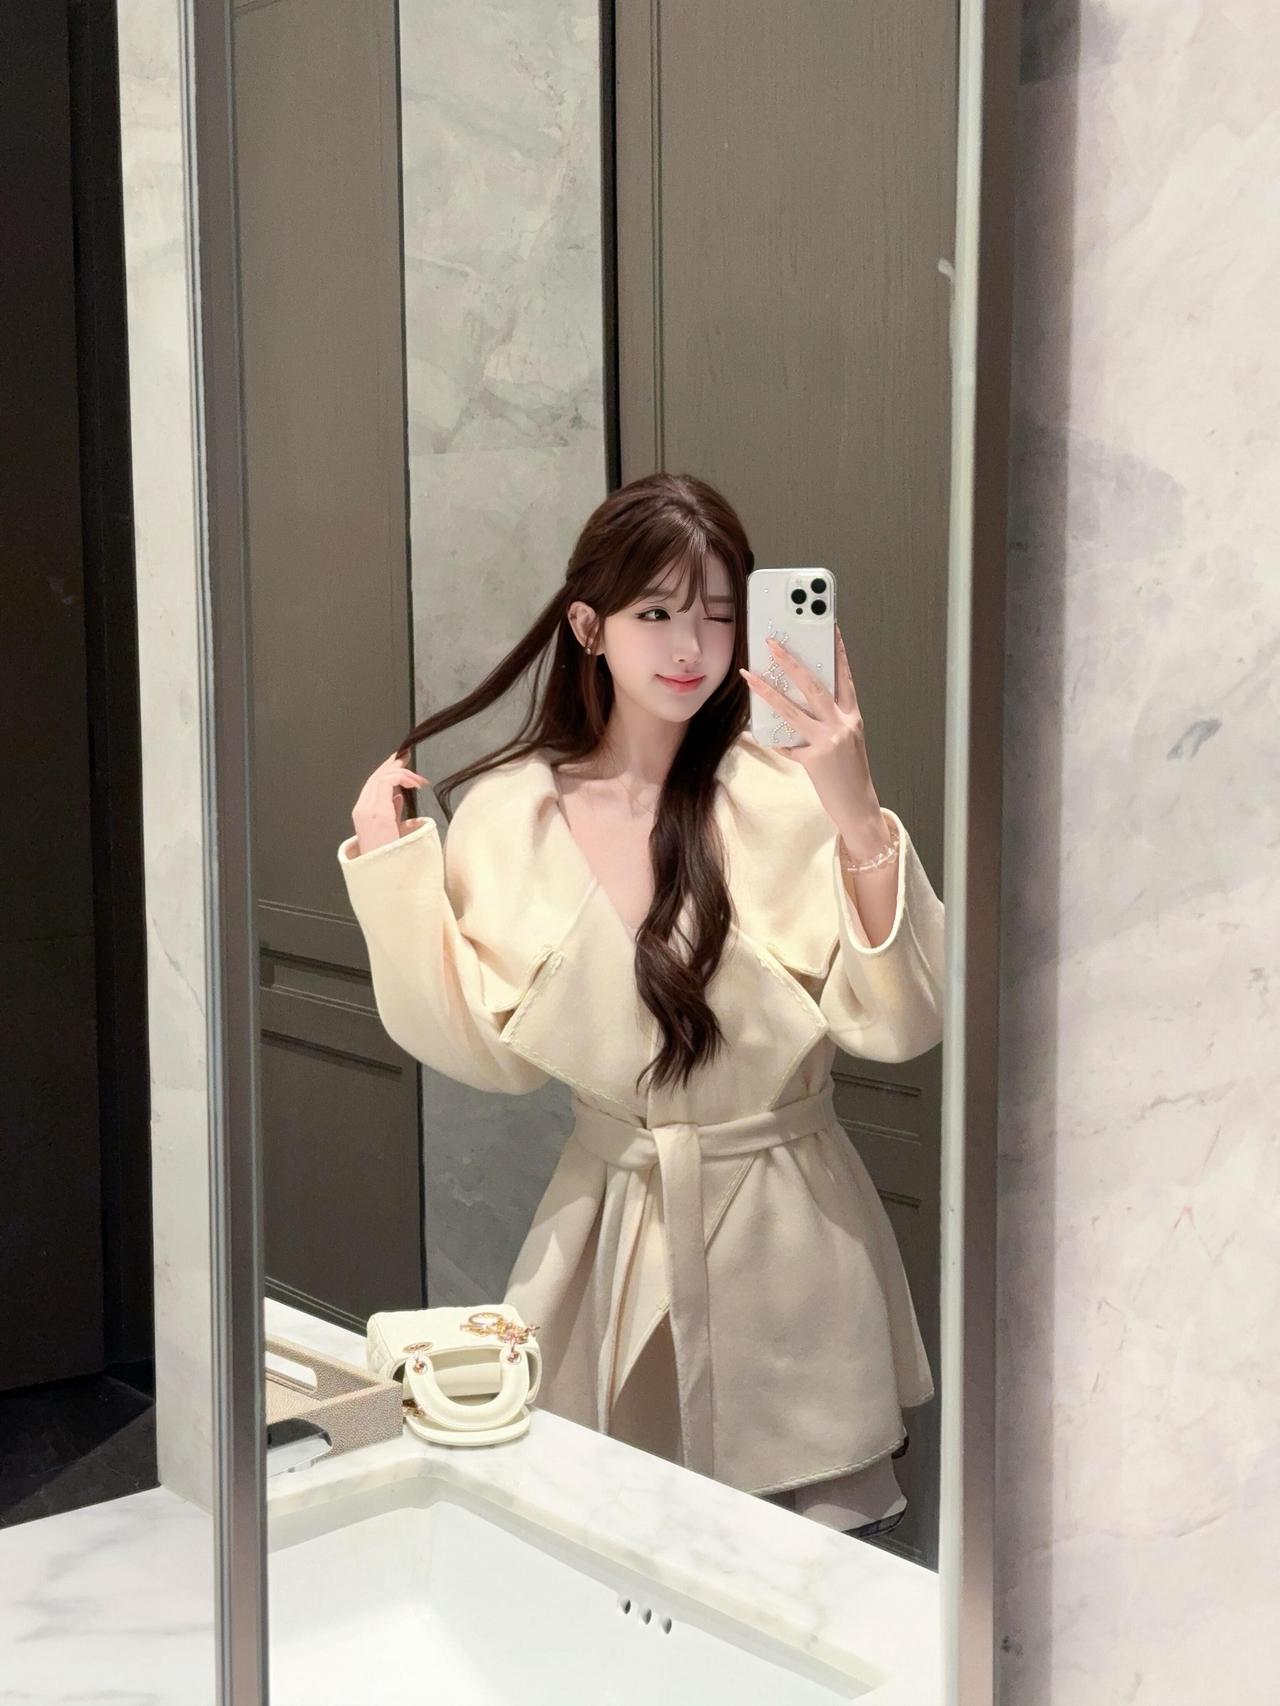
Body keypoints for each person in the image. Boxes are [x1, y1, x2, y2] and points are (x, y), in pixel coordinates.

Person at [338, 471, 944, 1536]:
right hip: (607, 1235)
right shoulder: (511, 813)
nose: (690, 647)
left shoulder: (785, 790)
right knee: (603, 1567)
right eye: (655, 613)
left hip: (794, 1239)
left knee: (805, 1586)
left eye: (718, 613)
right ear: (589, 626)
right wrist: (393, 873)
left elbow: (901, 1026)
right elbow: (488, 1054)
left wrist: (856, 812)